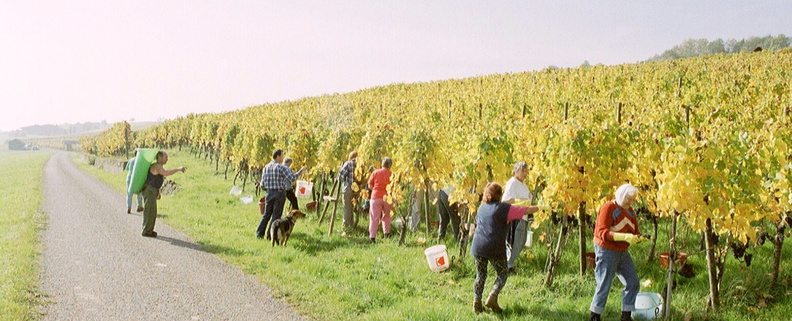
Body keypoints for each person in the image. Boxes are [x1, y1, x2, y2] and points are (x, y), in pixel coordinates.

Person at [470, 182, 538, 314]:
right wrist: (539, 207)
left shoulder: (482, 207)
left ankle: (477, 302)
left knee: (480, 275)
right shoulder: (505, 209)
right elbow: (525, 210)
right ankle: (493, 296)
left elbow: (486, 215)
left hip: (478, 246)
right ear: (500, 195)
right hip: (494, 247)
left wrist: (510, 201)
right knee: (502, 273)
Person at [589, 183, 649, 321]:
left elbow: (635, 232)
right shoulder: (609, 208)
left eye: (633, 199)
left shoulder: (630, 212)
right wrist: (623, 237)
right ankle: (594, 316)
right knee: (604, 283)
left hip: (622, 251)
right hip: (606, 250)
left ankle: (626, 316)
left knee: (633, 281)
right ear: (621, 195)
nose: (631, 202)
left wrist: (640, 238)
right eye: (629, 198)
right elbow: (601, 232)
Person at [256, 149, 304, 240]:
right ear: (278, 156)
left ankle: (259, 234)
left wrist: (268, 190)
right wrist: (300, 172)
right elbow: (292, 178)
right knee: (276, 216)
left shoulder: (266, 167)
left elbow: (262, 184)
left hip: (269, 193)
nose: (283, 157)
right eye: (282, 155)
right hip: (279, 193)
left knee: (266, 214)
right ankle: (270, 236)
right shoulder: (281, 167)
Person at [141, 151, 186, 237]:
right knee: (149, 210)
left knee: (152, 211)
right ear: (160, 158)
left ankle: (149, 230)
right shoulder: (156, 166)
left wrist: (158, 192)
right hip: (149, 190)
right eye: (166, 157)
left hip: (152, 190)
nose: (167, 159)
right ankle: (146, 230)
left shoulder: (158, 166)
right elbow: (167, 173)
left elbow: (157, 180)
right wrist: (178, 169)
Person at [502, 161, 533, 274]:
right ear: (516, 171)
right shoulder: (512, 183)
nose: (525, 173)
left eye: (526, 171)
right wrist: (518, 202)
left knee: (522, 240)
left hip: (523, 216)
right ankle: (508, 266)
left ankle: (509, 264)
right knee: (516, 241)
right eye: (522, 171)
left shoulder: (523, 185)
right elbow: (505, 201)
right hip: (516, 218)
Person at [367, 157, 392, 243]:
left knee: (374, 217)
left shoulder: (375, 172)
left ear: (382, 164)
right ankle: (386, 234)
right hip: (387, 197)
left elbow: (370, 185)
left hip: (375, 196)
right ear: (390, 165)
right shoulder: (391, 174)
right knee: (386, 216)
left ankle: (372, 237)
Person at [338, 151, 358, 230]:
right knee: (352, 206)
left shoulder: (348, 163)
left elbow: (340, 177)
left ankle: (345, 226)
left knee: (346, 207)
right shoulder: (360, 165)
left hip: (348, 187)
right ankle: (351, 224)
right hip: (357, 189)